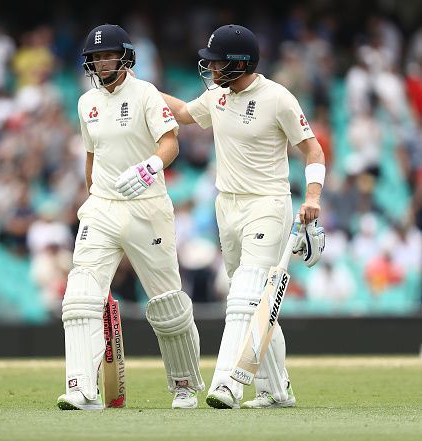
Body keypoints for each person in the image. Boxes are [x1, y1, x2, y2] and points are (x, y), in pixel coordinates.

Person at [161, 24, 326, 409]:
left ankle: (228, 384)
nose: (212, 69)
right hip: (227, 207)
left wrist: (314, 195)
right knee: (256, 302)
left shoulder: (277, 98)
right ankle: (277, 390)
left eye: (218, 63)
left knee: (245, 298)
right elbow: (185, 113)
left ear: (239, 63)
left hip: (267, 204)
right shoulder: (217, 95)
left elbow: (313, 151)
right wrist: (144, 92)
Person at [57, 24, 204, 411]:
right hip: (103, 206)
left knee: (167, 303)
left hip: (147, 204)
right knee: (80, 298)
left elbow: (170, 141)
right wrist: (91, 194)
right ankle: (81, 387)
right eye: (96, 57)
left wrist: (150, 168)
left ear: (125, 57)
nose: (102, 62)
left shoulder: (145, 94)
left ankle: (185, 385)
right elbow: (92, 155)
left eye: (109, 55)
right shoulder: (85, 102)